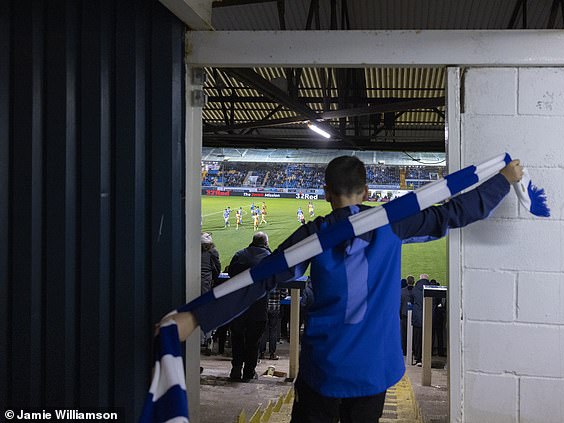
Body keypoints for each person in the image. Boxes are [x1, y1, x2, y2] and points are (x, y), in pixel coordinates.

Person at [161, 156, 524, 423]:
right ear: (367, 191)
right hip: (374, 369)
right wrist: (503, 179)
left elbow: (262, 278)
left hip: (324, 368)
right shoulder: (393, 223)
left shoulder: (313, 235)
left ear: (325, 193)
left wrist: (195, 317)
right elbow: (454, 213)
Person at [227, 232, 271, 381]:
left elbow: (230, 273)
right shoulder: (268, 258)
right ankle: (248, 372)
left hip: (238, 306)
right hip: (258, 307)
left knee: (237, 338)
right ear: (265, 243)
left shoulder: (239, 255)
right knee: (253, 342)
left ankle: (236, 370)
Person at [200, 233, 221, 354]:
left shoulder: (192, 249)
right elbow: (217, 269)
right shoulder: (212, 252)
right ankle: (207, 338)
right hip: (206, 285)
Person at [260, 286, 286, 360]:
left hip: (264, 307)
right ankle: (272, 353)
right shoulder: (278, 279)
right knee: (273, 331)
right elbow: (284, 294)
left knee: (263, 330)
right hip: (275, 307)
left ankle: (261, 352)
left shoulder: (265, 278)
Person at [411, 274, 428, 365]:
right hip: (428, 318)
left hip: (417, 318)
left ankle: (418, 358)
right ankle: (427, 358)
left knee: (417, 339)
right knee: (428, 339)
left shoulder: (415, 289)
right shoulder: (431, 288)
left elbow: (411, 300)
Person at [400, 276, 415, 356]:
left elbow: (400, 304)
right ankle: (413, 350)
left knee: (404, 334)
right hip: (414, 316)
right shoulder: (416, 291)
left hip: (404, 315)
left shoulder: (402, 291)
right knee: (414, 335)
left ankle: (405, 351)